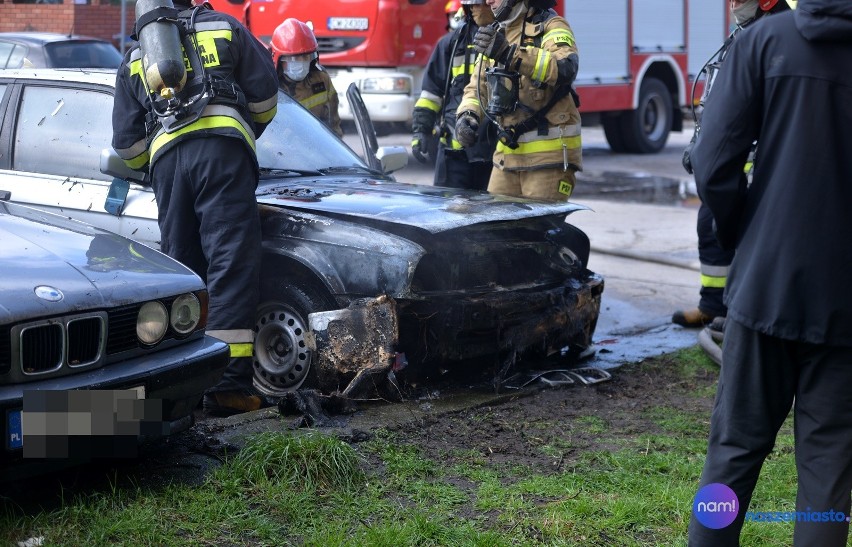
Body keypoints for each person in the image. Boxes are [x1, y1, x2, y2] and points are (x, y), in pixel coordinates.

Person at [687, 0, 852, 545]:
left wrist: (747, 235)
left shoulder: (764, 41)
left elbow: (713, 159)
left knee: (732, 453)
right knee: (828, 468)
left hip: (766, 287)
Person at [112, 0, 279, 416]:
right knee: (231, 263)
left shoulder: (136, 56)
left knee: (182, 270)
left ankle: (180, 390)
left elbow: (127, 147)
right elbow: (266, 100)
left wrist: (157, 160)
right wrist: (236, 128)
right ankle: (226, 387)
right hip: (222, 156)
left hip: (168, 165)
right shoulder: (225, 27)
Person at [673, 0, 792, 329]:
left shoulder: (778, 38)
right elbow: (719, 104)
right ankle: (714, 305)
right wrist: (699, 147)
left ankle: (744, 313)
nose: (733, 5)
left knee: (753, 237)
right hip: (733, 160)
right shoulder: (743, 35)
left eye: (740, 0)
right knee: (709, 225)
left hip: (764, 165)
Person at [454, 0, 581, 201]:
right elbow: (476, 87)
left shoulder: (551, 25)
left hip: (549, 157)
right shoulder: (496, 33)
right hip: (506, 158)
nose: (487, 2)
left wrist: (509, 54)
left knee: (536, 230)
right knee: (495, 228)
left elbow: (565, 68)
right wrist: (467, 115)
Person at [411, 0, 495, 191]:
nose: (475, 9)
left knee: (492, 215)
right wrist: (421, 130)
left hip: (494, 152)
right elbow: (431, 94)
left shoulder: (508, 42)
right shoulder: (451, 43)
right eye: (471, 5)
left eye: (480, 4)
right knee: (449, 213)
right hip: (454, 152)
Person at [271, 18, 343, 138]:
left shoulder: (321, 80)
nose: (302, 62)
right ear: (278, 59)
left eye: (306, 57)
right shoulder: (270, 88)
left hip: (317, 148)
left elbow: (333, 123)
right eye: (295, 59)